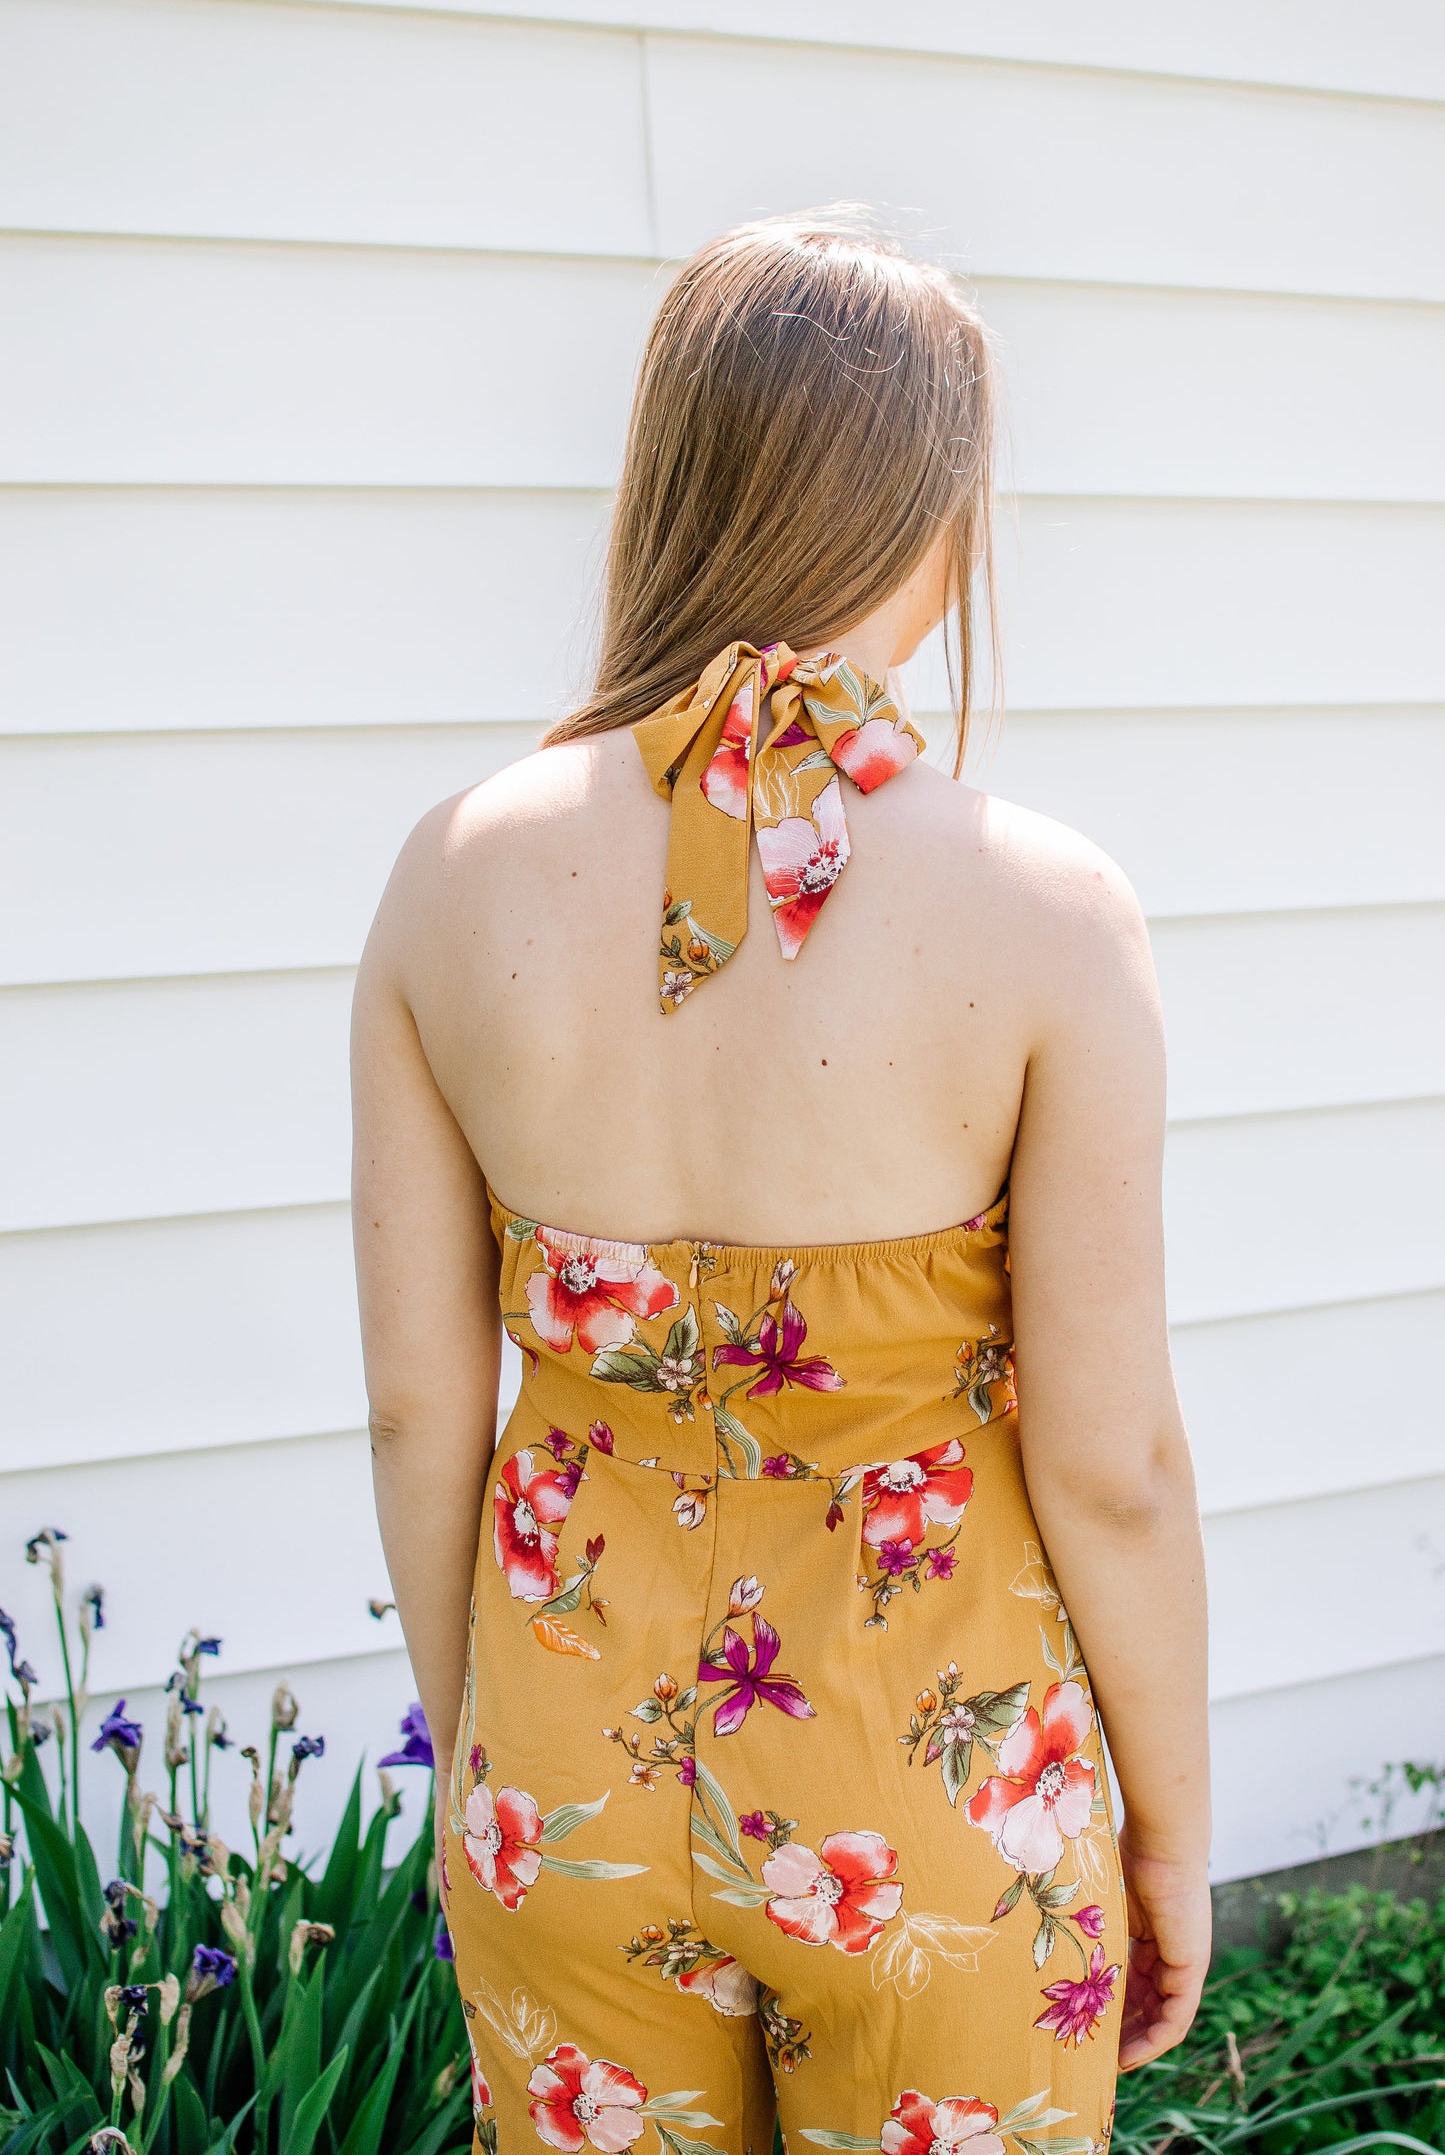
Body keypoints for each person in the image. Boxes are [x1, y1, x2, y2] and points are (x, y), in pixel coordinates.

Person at [352, 210, 1211, 2155]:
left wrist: (494, 1752)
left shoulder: (449, 874)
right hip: (932, 1794)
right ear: (938, 508)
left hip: (559, 1771)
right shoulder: (1047, 912)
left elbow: (422, 1406)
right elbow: (1111, 1461)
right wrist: (1169, 1828)